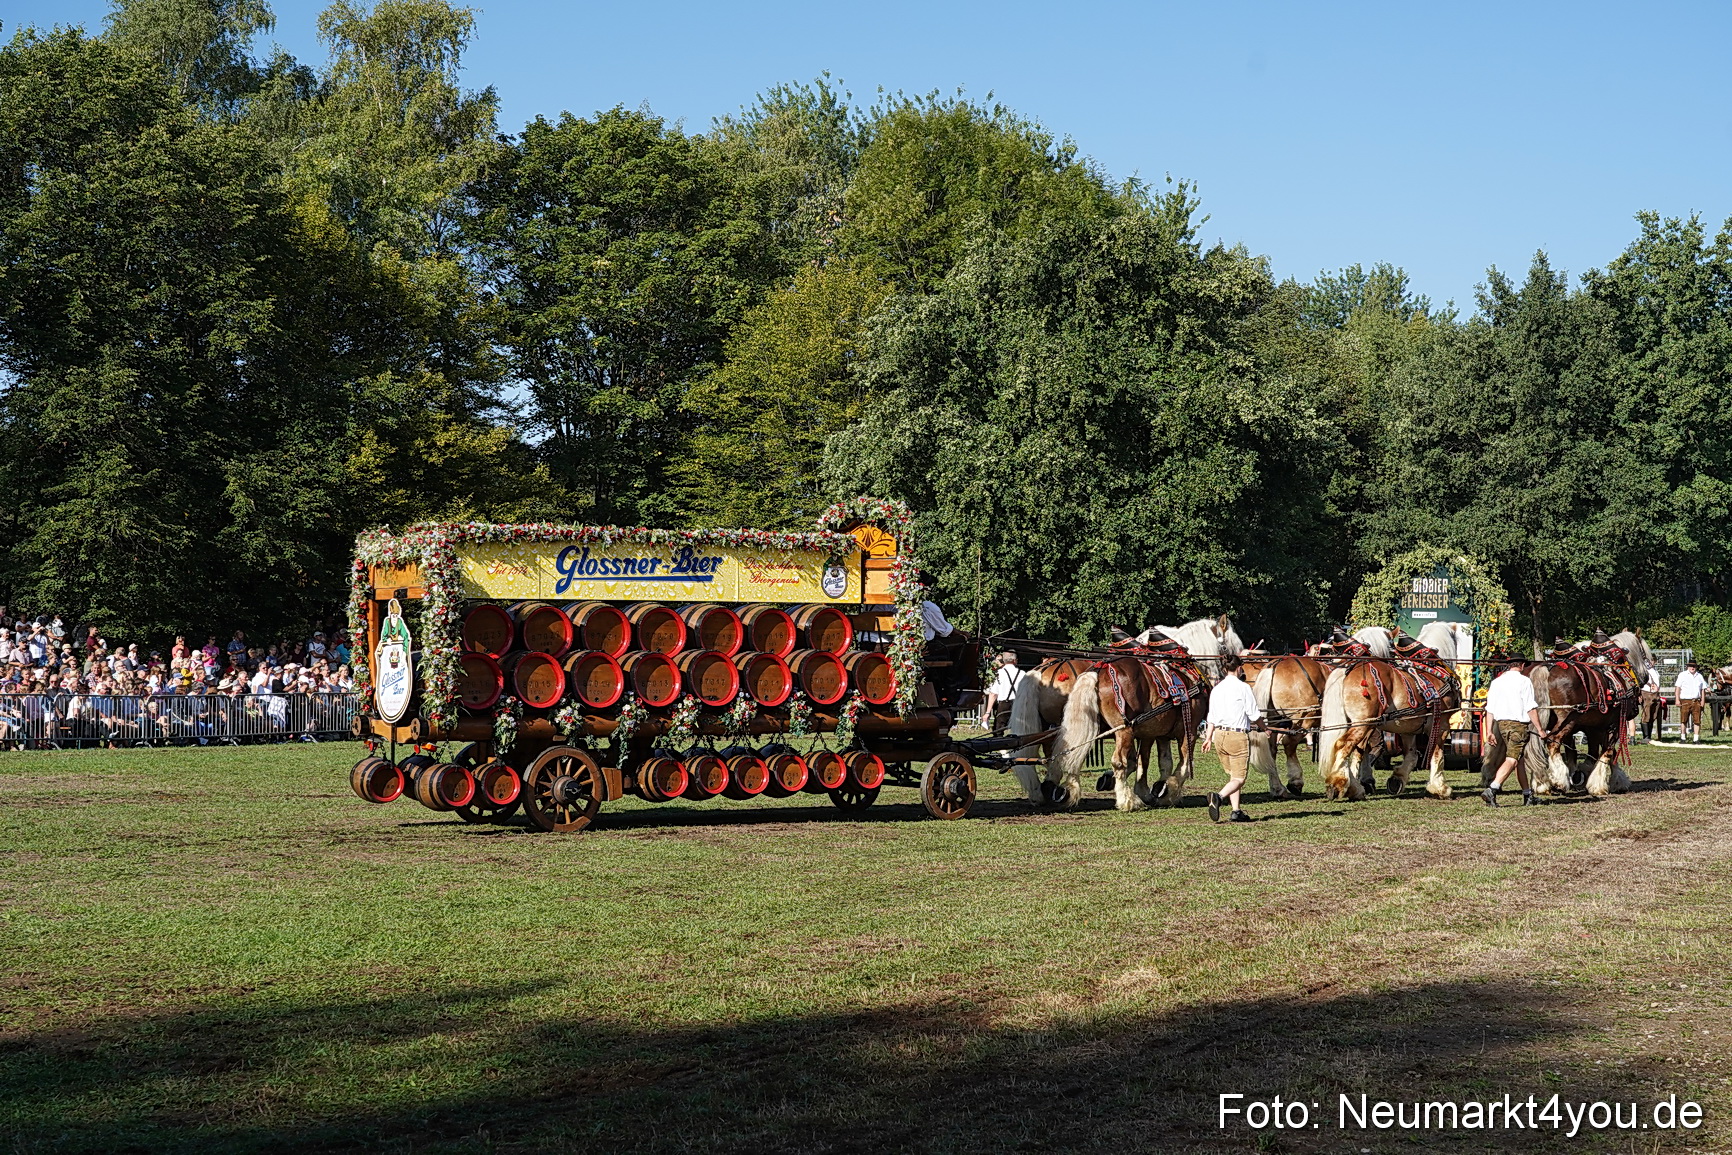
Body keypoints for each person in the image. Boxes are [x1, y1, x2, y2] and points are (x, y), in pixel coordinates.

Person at [1203, 654, 1262, 823]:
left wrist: (1208, 738)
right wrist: (1265, 728)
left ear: (1224, 669)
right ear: (1239, 668)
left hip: (1219, 736)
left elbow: (1211, 717)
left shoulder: (1216, 689)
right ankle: (1218, 797)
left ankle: (1236, 811)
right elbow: (1253, 714)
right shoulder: (1243, 688)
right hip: (1236, 736)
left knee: (1233, 776)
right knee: (1239, 778)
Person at [1483, 659, 1544, 806]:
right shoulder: (1524, 681)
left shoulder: (1496, 682)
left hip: (1502, 725)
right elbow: (1530, 706)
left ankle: (1527, 794)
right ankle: (1492, 788)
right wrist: (1540, 729)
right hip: (1518, 725)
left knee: (1519, 759)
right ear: (1522, 665)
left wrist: (1489, 731)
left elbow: (1489, 709)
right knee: (1512, 759)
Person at [979, 651, 1025, 735]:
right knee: (1020, 730)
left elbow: (993, 694)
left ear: (1004, 660)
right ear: (1015, 660)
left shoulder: (998, 673)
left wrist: (987, 712)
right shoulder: (1023, 674)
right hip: (1019, 704)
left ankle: (1001, 747)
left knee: (998, 730)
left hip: (1004, 705)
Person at [1674, 659, 1706, 744]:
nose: (1692, 667)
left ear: (1696, 667)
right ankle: (1683, 738)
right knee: (1684, 720)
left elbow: (1703, 689)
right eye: (1691, 666)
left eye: (1694, 666)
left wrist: (1703, 701)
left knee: (1697, 720)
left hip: (1696, 701)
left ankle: (1696, 739)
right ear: (1687, 666)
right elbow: (1678, 688)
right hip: (1685, 700)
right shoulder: (1682, 675)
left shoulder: (1699, 676)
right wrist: (1677, 699)